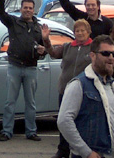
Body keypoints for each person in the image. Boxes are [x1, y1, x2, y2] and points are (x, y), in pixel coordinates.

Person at [57, 35, 114, 158]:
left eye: (113, 54)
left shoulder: (113, 86)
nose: (111, 58)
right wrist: (86, 152)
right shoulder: (79, 84)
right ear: (93, 56)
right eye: (105, 53)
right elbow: (64, 121)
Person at [0, 0, 45, 142]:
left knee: (31, 103)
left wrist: (42, 51)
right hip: (14, 67)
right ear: (21, 9)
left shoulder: (38, 27)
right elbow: (0, 13)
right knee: (10, 102)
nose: (27, 10)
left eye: (30, 8)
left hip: (31, 68)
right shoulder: (13, 22)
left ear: (34, 10)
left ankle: (31, 132)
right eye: (25, 8)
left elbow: (44, 49)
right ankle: (6, 131)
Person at [42, 19, 93, 158]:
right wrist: (46, 40)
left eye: (83, 30)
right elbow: (53, 53)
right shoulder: (67, 46)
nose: (80, 33)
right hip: (65, 90)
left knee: (81, 122)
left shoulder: (94, 48)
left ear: (88, 32)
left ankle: (83, 151)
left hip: (84, 92)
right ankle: (63, 150)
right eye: (77, 31)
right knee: (64, 121)